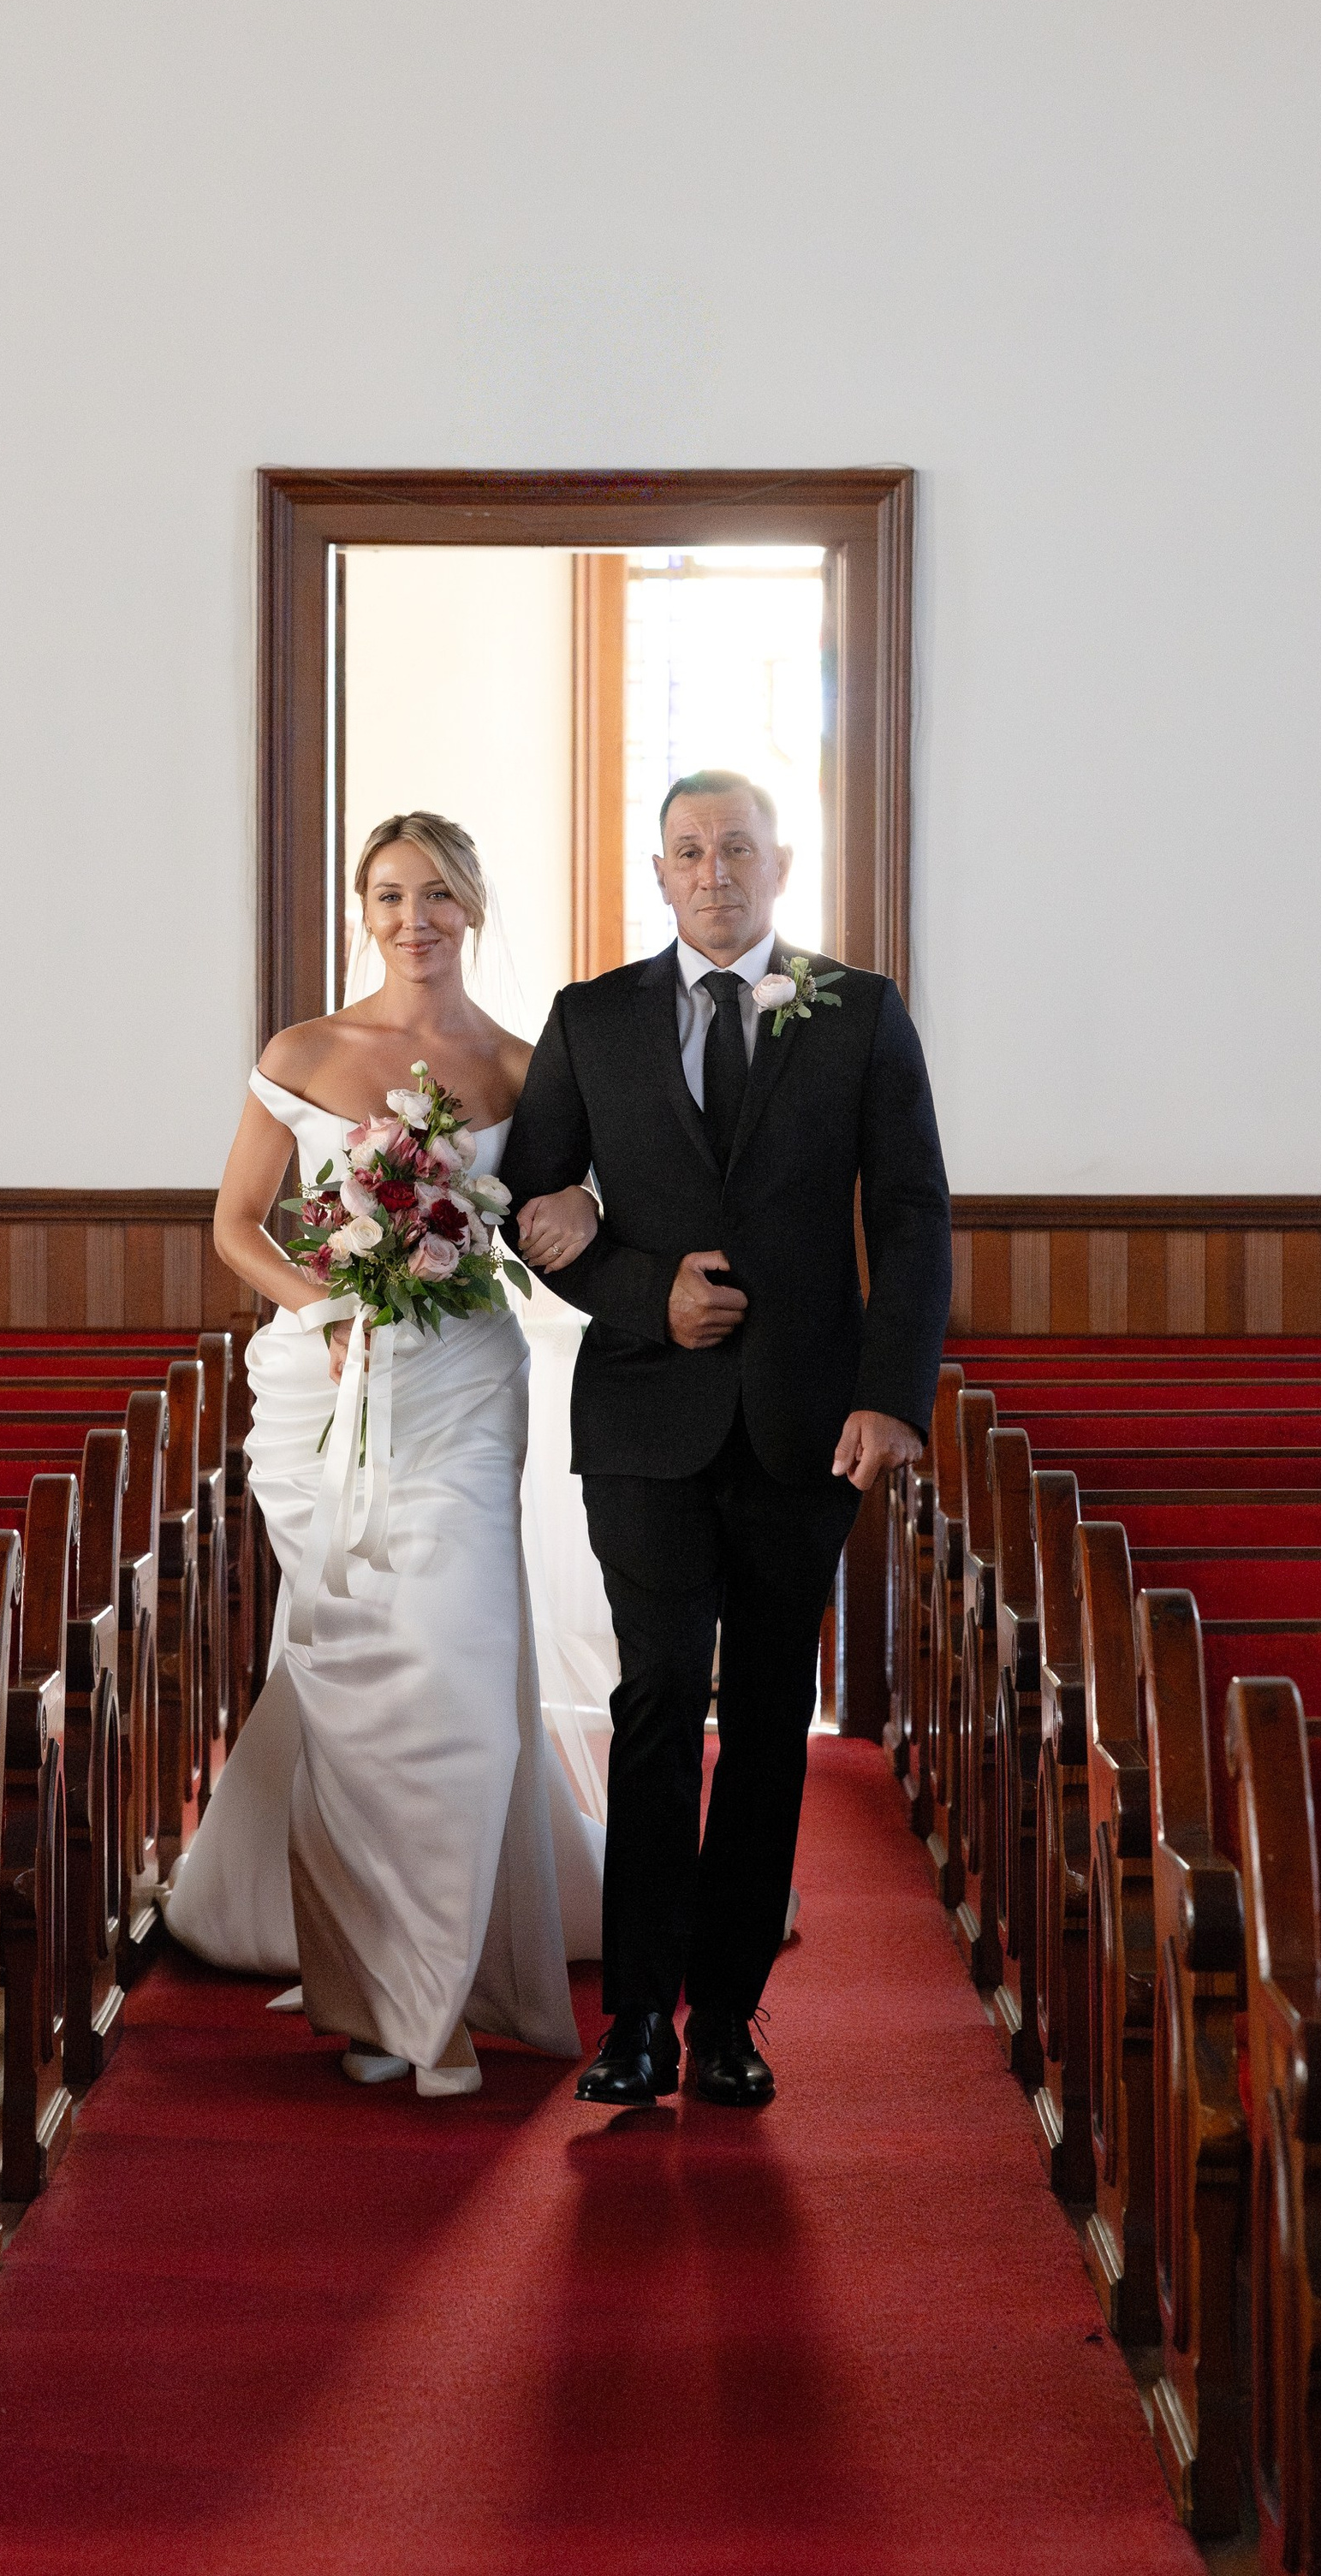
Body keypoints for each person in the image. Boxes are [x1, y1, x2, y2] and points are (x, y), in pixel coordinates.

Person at [502, 769, 951, 2110]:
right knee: (653, 1705)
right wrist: (648, 1292)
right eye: (690, 850)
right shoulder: (591, 1020)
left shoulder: (860, 1011)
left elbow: (916, 1216)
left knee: (766, 1720)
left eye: (738, 846)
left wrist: (893, 1397)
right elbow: (534, 1195)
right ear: (659, 874)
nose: (716, 870)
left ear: (782, 859)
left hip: (809, 1428)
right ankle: (635, 2015)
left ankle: (728, 2018)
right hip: (645, 1417)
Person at [161, 811, 604, 2097]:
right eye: (392, 894)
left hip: (465, 1388)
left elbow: (545, 1225)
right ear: (365, 909)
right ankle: (379, 1990)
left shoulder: (527, 1069)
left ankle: (440, 1988)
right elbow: (238, 1225)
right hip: (325, 1400)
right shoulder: (306, 1049)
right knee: (357, 1690)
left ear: (473, 907)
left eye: (440, 894)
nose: (417, 917)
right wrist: (329, 1306)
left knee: (456, 1684)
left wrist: (583, 1212)